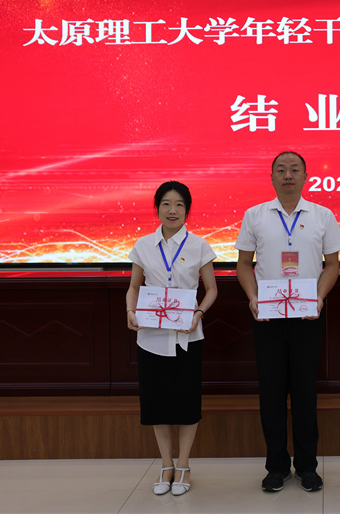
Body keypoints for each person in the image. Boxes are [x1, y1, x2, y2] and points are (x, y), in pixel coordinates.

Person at [235, 151, 340, 493]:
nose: (288, 175)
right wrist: (252, 297)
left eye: (294, 169)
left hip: (307, 315)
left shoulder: (322, 215)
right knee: (271, 393)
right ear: (271, 177)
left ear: (305, 176)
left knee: (304, 393)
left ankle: (307, 466)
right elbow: (243, 264)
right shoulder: (255, 215)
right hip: (267, 315)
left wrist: (320, 297)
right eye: (281, 170)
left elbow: (332, 265)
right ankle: (276, 466)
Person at [125, 181, 218, 496]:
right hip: (151, 337)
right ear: (157, 208)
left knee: (187, 402)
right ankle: (166, 465)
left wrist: (199, 313)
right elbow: (134, 287)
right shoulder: (143, 245)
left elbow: (212, 289)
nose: (172, 210)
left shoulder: (199, 246)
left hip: (187, 337)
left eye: (179, 204)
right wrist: (130, 310)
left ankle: (184, 465)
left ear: (187, 210)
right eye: (166, 203)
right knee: (157, 403)